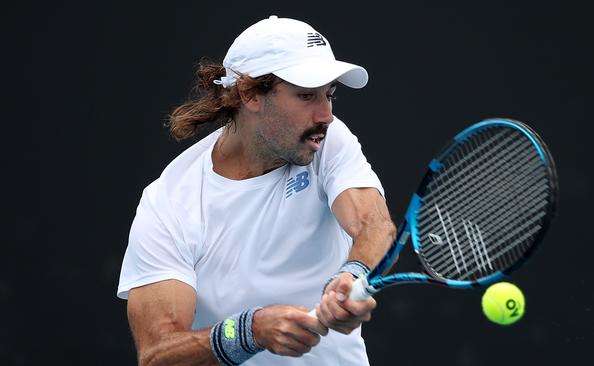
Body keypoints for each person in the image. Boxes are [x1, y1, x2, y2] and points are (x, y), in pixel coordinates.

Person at [117, 15, 396, 366]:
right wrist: (248, 332)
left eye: (330, 94)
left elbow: (375, 226)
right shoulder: (169, 203)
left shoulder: (328, 140)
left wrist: (353, 276)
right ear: (250, 94)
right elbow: (157, 354)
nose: (325, 114)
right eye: (307, 95)